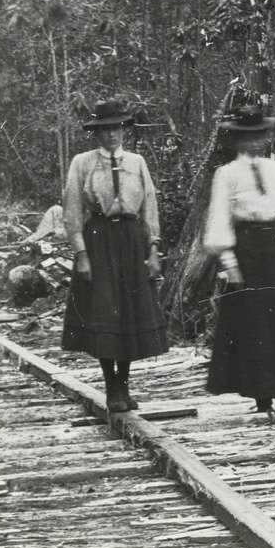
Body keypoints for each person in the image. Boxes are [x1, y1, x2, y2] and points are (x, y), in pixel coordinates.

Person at [204, 97, 275, 413]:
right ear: (237, 139)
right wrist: (229, 261)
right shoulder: (226, 174)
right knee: (253, 322)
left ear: (265, 137)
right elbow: (220, 217)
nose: (254, 142)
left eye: (258, 136)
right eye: (247, 136)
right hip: (245, 249)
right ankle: (262, 395)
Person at [60, 100, 169, 412]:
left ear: (124, 130)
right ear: (96, 132)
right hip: (100, 239)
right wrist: (81, 253)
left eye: (117, 128)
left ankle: (125, 383)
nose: (112, 135)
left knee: (131, 311)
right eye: (106, 129)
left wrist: (153, 249)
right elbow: (72, 211)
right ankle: (111, 387)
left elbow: (149, 205)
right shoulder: (82, 163)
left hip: (133, 240)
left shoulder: (136, 162)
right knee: (107, 311)